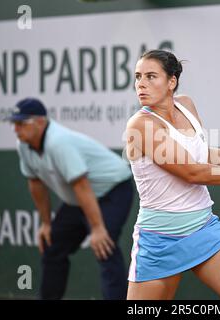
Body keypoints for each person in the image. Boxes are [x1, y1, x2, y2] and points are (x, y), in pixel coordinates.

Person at [125, 50, 220, 300]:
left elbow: (200, 155)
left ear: (172, 82)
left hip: (203, 228)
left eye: (151, 76)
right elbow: (191, 172)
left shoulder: (187, 105)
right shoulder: (141, 125)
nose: (141, 84)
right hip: (160, 239)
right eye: (138, 76)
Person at [9, 98, 133, 300]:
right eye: (14, 124)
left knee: (105, 248)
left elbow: (82, 184)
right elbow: (35, 184)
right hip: (80, 198)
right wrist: (46, 223)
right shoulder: (23, 145)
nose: (16, 129)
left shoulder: (58, 142)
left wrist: (98, 228)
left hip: (113, 191)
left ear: (40, 122)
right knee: (52, 246)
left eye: (22, 123)